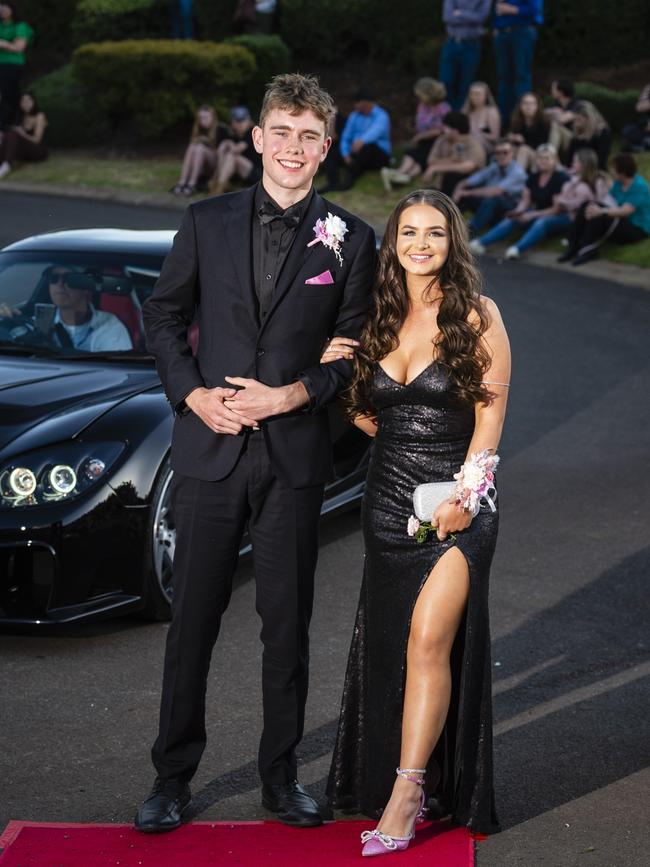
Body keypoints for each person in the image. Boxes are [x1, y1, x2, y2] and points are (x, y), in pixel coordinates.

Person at [136, 73, 376, 834]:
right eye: (282, 132)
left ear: (326, 147)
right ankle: (171, 779)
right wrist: (193, 395)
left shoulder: (352, 238)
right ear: (257, 138)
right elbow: (164, 315)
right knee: (193, 621)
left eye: (310, 135)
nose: (294, 147)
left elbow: (353, 353)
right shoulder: (204, 221)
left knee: (288, 623)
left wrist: (293, 394)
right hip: (209, 448)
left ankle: (281, 779)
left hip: (295, 458)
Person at [323, 188, 510, 852]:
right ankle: (401, 773)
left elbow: (488, 420)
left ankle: (408, 791)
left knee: (429, 640)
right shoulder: (378, 316)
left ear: (451, 241)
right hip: (389, 498)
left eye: (434, 232)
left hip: (459, 501)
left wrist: (466, 493)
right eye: (408, 232)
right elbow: (375, 416)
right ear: (394, 243)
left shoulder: (477, 314)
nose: (421, 243)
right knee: (395, 645)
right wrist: (339, 374)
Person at [469, 143, 569, 258]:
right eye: (541, 158)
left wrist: (531, 215)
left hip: (560, 216)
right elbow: (525, 201)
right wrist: (518, 212)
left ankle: (517, 249)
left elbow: (557, 209)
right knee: (513, 218)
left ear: (555, 160)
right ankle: (480, 243)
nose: (543, 161)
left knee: (541, 222)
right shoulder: (533, 177)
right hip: (539, 212)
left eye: (547, 158)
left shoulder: (561, 178)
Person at [0, 266, 133, 351]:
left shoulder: (108, 326)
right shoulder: (38, 322)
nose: (59, 284)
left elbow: (112, 373)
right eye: (54, 278)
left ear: (88, 286)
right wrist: (8, 322)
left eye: (69, 278)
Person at [560, 153, 650, 266]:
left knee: (599, 213)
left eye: (614, 169)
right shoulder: (618, 184)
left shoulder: (639, 186)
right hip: (621, 220)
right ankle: (573, 244)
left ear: (622, 172)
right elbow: (607, 201)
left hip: (636, 228)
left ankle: (588, 250)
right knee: (587, 205)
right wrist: (594, 209)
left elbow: (626, 211)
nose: (611, 171)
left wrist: (601, 211)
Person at [381, 78, 450, 191]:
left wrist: (419, 137)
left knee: (421, 156)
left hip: (437, 141)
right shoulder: (422, 106)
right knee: (412, 154)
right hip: (422, 140)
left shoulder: (443, 108)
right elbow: (419, 124)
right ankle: (399, 173)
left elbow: (441, 130)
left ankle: (405, 177)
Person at [453, 139, 528, 234]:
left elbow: (497, 191)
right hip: (489, 203)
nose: (501, 156)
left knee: (491, 199)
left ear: (512, 154)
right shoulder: (494, 167)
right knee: (466, 190)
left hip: (509, 207)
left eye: (505, 152)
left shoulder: (517, 172)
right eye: (498, 153)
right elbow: (468, 181)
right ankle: (448, 222)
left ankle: (470, 230)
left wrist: (466, 193)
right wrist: (458, 190)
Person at [492, 1, 544, 125]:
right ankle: (504, 120)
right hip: (503, 33)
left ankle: (522, 119)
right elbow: (496, 10)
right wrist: (496, 27)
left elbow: (534, 10)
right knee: (504, 78)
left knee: (521, 76)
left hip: (522, 31)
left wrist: (511, 9)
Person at [439, 1, 492, 111]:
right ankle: (448, 116)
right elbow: (447, 17)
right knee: (445, 82)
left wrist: (459, 13)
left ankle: (460, 118)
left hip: (471, 44)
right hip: (452, 43)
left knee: (465, 85)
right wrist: (470, 16)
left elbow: (481, 18)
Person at [421, 110, 487, 196]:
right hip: (441, 183)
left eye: (446, 127)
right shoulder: (442, 140)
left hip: (468, 183)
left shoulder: (474, 145)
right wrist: (452, 160)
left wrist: (436, 168)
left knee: (451, 176)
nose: (443, 130)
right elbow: (431, 161)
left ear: (455, 131)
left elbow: (467, 167)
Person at [337, 88, 391, 191]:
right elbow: (346, 136)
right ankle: (332, 181)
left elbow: (376, 131)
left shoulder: (381, 115)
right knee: (334, 149)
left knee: (367, 147)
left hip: (379, 155)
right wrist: (345, 154)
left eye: (357, 102)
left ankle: (349, 179)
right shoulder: (354, 116)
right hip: (357, 152)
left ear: (365, 102)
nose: (355, 105)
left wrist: (362, 141)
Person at [171, 105, 230, 196]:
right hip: (202, 165)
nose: (203, 120)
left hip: (216, 166)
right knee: (192, 146)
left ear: (213, 117)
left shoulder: (221, 129)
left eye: (206, 117)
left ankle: (192, 183)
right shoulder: (199, 129)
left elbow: (224, 153)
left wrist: (207, 142)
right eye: (201, 118)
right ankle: (182, 181)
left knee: (199, 148)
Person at [209, 105, 262, 195]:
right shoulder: (232, 135)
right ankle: (219, 181)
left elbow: (237, 149)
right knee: (225, 147)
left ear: (248, 120)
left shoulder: (252, 132)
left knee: (233, 156)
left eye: (242, 120)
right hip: (240, 173)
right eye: (237, 121)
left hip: (257, 173)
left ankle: (218, 186)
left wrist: (228, 144)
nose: (240, 124)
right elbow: (220, 151)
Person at [0, 1, 33, 129]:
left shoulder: (20, 26)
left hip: (12, 65)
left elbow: (19, 47)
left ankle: (11, 125)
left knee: (10, 95)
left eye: (4, 7)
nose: (1, 10)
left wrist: (2, 44)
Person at [0, 92, 47, 179]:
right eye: (23, 101)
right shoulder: (21, 116)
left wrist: (23, 134)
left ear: (33, 102)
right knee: (7, 135)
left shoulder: (39, 116)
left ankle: (6, 166)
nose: (26, 104)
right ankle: (2, 163)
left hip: (37, 150)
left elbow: (37, 140)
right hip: (25, 151)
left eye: (28, 101)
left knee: (14, 135)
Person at [507, 91, 553, 170]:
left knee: (524, 149)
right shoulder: (517, 122)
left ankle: (515, 179)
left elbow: (542, 146)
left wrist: (523, 141)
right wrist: (511, 138)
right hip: (520, 153)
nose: (528, 107)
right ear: (520, 106)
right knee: (506, 150)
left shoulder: (544, 123)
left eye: (532, 104)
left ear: (537, 106)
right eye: (525, 104)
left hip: (540, 157)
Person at [565, 101, 611, 171]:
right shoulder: (576, 136)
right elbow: (569, 161)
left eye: (580, 118)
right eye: (576, 116)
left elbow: (601, 160)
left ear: (590, 118)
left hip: (594, 172)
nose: (576, 121)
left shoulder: (601, 133)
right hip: (575, 172)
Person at [462, 80, 501, 156]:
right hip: (466, 143)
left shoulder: (491, 112)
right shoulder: (466, 112)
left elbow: (495, 137)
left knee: (476, 137)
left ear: (485, 96)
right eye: (472, 94)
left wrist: (477, 133)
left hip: (486, 146)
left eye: (478, 94)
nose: (474, 97)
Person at [622, 84, 650, 152]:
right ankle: (644, 145)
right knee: (627, 131)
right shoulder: (648, 88)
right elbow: (639, 108)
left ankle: (641, 146)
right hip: (645, 127)